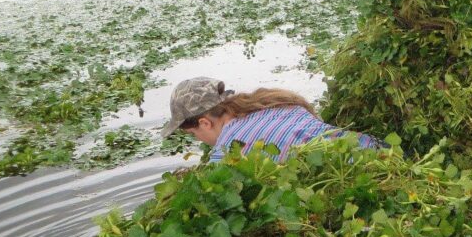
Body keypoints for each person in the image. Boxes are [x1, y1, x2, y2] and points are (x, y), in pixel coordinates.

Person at [161, 77, 382, 162]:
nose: (200, 140)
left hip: (362, 172)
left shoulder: (227, 155)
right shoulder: (274, 104)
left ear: (204, 123)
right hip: (381, 152)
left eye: (194, 134)